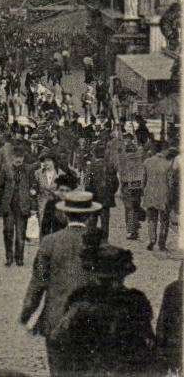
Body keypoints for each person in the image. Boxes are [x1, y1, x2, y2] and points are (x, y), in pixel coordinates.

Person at [21, 191, 102, 376]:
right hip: (90, 320)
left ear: (65, 214)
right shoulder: (99, 244)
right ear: (89, 215)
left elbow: (38, 283)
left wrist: (27, 312)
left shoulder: (50, 242)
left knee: (59, 370)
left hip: (56, 319)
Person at [48, 244, 156, 377]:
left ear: (95, 275)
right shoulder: (135, 302)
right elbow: (149, 343)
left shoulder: (81, 302)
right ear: (122, 276)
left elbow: (57, 339)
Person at [0, 144, 37, 267]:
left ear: (24, 158)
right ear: (12, 157)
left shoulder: (28, 170)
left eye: (20, 157)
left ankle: (19, 257)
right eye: (16, 157)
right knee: (8, 232)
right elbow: (0, 187)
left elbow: (34, 184)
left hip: (22, 206)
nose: (18, 159)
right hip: (8, 206)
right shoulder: (5, 169)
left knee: (20, 233)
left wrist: (33, 191)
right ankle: (9, 257)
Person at [142, 145, 177, 252]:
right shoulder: (168, 164)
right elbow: (171, 183)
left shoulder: (147, 162)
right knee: (164, 221)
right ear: (163, 150)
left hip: (150, 194)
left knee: (151, 219)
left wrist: (145, 191)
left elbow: (143, 180)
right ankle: (161, 244)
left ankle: (152, 240)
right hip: (163, 196)